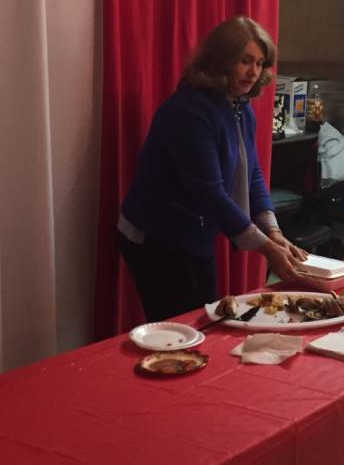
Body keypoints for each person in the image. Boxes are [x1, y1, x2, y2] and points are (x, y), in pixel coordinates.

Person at [118, 17, 309, 322]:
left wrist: (274, 231)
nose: (253, 72)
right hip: (155, 236)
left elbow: (252, 174)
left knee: (207, 320)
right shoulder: (189, 110)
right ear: (221, 60)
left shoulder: (240, 107)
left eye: (259, 63)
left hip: (195, 232)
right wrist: (267, 248)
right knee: (184, 327)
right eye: (245, 61)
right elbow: (210, 194)